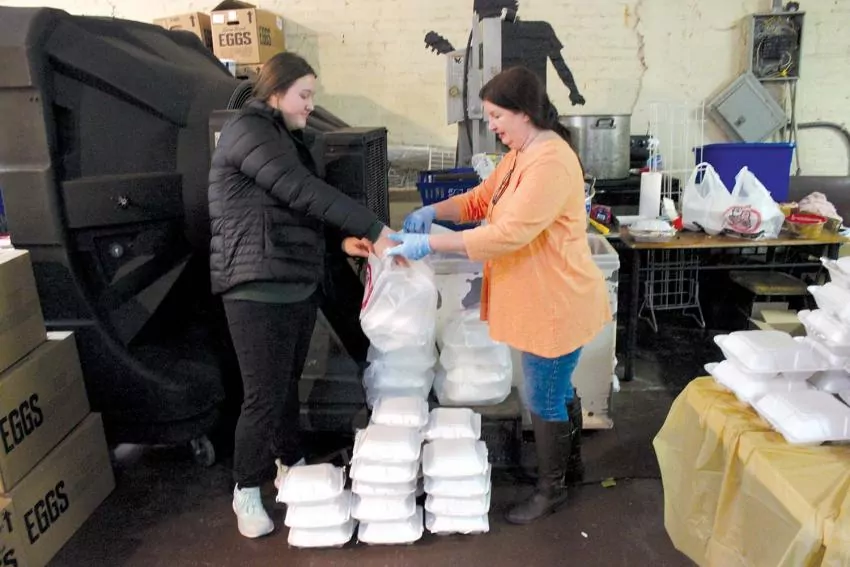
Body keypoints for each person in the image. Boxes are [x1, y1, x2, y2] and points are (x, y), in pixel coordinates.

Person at [388, 66, 610, 525]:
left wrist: (432, 242)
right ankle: (568, 468)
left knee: (544, 394)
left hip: (556, 300)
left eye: (496, 116)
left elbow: (507, 234)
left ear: (524, 112)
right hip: (541, 296)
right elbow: (480, 199)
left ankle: (551, 490)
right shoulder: (520, 154)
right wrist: (433, 210)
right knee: (556, 386)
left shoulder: (550, 162)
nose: (491, 125)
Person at [208, 52, 396, 538]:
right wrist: (374, 228)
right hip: (255, 287)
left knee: (285, 385)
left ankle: (288, 463)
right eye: (304, 95)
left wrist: (342, 243)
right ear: (275, 92)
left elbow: (298, 213)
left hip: (293, 282)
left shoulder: (285, 140)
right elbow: (300, 191)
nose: (311, 105)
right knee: (263, 396)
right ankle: (245, 489)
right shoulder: (248, 131)